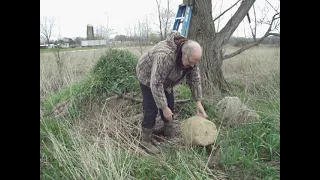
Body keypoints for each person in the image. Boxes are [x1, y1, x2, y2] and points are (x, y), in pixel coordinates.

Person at [136, 30, 208, 154]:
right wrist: (163, 108)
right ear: (183, 54)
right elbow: (156, 83)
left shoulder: (192, 58)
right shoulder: (164, 56)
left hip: (166, 79)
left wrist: (198, 101)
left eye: (195, 63)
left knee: (170, 103)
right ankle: (145, 140)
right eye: (191, 62)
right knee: (151, 107)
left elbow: (195, 79)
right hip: (148, 77)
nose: (193, 66)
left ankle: (167, 129)